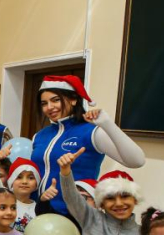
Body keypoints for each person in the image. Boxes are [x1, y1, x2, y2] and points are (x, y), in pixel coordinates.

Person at [31, 75, 145, 215]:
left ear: (73, 99)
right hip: (39, 210)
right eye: (44, 103)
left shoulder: (91, 132)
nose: (49, 107)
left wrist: (107, 124)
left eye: (56, 100)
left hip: (76, 214)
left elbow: (137, 161)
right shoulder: (40, 136)